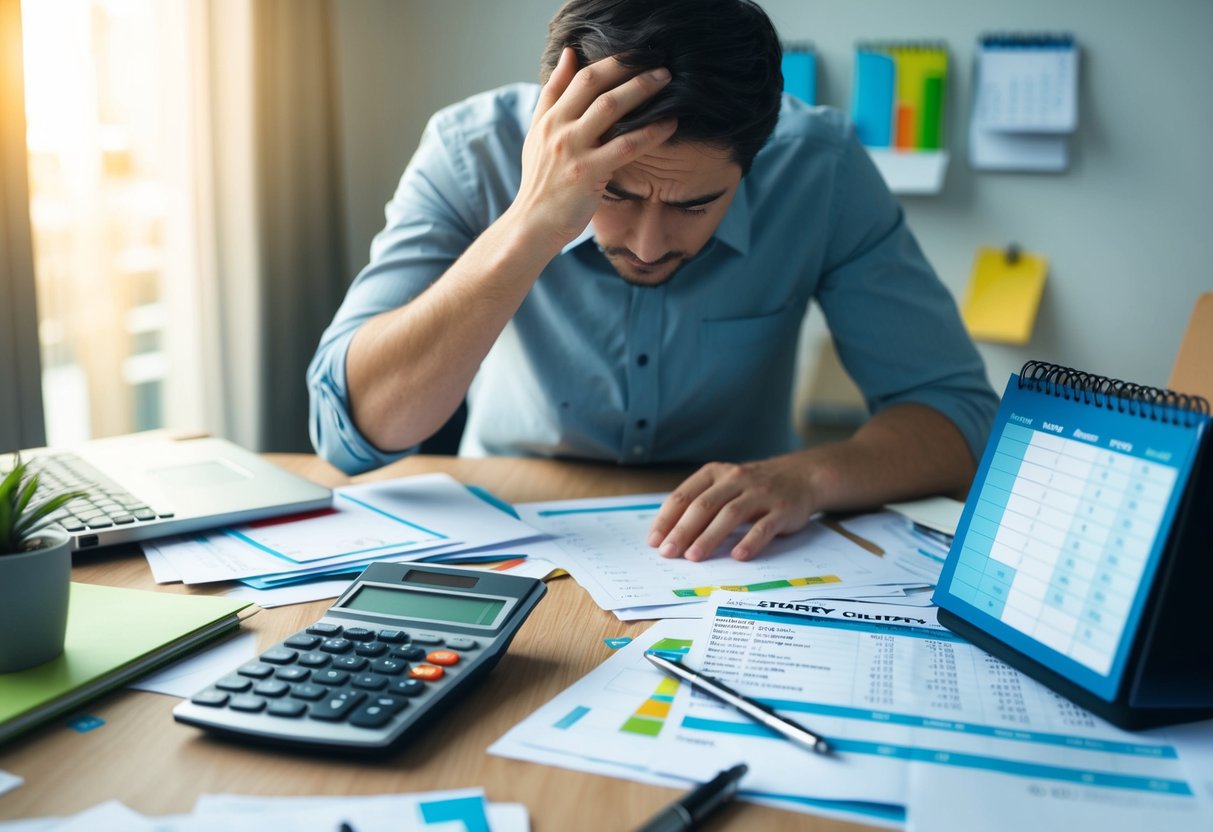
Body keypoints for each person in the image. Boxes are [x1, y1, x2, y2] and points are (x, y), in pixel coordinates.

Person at [308, 0, 998, 563]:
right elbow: (348, 432)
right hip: (506, 525)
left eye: (693, 205)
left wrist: (810, 475)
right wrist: (535, 221)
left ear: (754, 158)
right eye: (613, 195)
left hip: (738, 548)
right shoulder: (470, 151)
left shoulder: (820, 167)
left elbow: (961, 419)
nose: (647, 245)